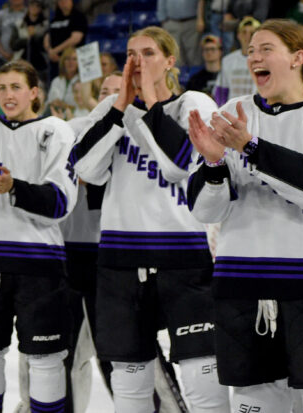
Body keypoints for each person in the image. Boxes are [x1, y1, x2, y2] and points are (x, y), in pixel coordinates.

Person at [186, 20, 303, 413]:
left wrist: (249, 147)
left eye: (265, 48)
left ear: (298, 57)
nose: (254, 57)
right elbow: (204, 209)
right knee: (253, 401)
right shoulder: (231, 114)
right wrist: (215, 165)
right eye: (251, 50)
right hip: (243, 284)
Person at [71, 26, 228, 413]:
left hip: (183, 258)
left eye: (148, 53)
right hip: (119, 262)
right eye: (130, 53)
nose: (137, 61)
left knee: (202, 380)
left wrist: (150, 106)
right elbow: (86, 168)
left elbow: (179, 165)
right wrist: (121, 108)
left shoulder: (195, 102)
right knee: (130, 385)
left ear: (170, 61)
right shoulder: (113, 109)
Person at [0, 60, 78, 413]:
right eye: (2, 87)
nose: (7, 94)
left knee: (46, 360)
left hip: (41, 265)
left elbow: (61, 202)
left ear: (34, 92)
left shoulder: (58, 132)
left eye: (16, 87)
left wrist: (12, 187)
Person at [55, 71, 123, 413]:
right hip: (70, 251)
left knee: (115, 353)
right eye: (107, 92)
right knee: (64, 352)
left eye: (119, 92)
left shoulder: (134, 132)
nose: (112, 97)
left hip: (110, 255)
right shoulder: (74, 129)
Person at [215, 17, 259, 106]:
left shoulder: (264, 61)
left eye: (252, 33)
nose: (248, 36)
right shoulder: (227, 60)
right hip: (232, 111)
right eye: (244, 32)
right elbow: (221, 91)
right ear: (238, 35)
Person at [44, 0, 87, 73]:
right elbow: (46, 37)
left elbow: (75, 38)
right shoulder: (54, 19)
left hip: (72, 62)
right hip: (54, 61)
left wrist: (55, 51)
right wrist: (50, 51)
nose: (63, 1)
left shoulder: (78, 17)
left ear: (71, 0)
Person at [11, 0, 50, 78]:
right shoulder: (19, 24)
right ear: (28, 7)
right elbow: (13, 45)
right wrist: (26, 39)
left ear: (40, 9)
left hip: (41, 64)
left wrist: (35, 36)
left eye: (37, 6)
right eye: (32, 5)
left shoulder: (46, 25)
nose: (34, 8)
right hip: (21, 63)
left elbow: (46, 45)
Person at [47, 47, 85, 119]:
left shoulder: (82, 82)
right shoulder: (56, 80)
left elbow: (81, 105)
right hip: (55, 114)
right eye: (67, 59)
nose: (71, 62)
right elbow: (50, 101)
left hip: (76, 116)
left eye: (74, 59)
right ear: (63, 61)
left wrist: (63, 105)